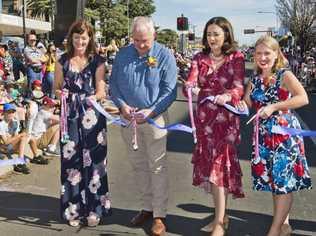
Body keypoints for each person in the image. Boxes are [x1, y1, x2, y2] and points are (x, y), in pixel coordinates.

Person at [237, 35, 312, 236]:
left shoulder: (284, 75)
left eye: (267, 53)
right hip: (263, 137)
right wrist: (237, 103)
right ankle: (283, 223)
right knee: (274, 182)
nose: (262, 57)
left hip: (284, 136)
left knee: (284, 183)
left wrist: (275, 106)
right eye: (259, 53)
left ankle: (275, 229)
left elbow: (303, 98)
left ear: (276, 54)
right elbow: (248, 103)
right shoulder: (253, 79)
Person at [109, 16, 177, 236]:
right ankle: (146, 207)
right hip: (129, 120)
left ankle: (159, 215)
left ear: (153, 35)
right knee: (138, 166)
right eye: (136, 39)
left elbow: (170, 90)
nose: (140, 44)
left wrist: (152, 110)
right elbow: (114, 86)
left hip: (153, 119)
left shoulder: (164, 55)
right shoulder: (122, 54)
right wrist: (122, 106)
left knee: (157, 167)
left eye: (144, 40)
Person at [183, 16, 245, 236]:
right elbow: (189, 83)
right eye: (209, 34)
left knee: (220, 169)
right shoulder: (199, 57)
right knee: (211, 169)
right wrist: (190, 87)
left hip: (226, 122)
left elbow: (239, 88)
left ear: (226, 34)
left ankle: (219, 224)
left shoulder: (236, 57)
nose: (212, 38)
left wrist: (228, 96)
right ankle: (223, 215)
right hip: (205, 123)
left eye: (216, 34)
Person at [54, 19, 110, 227]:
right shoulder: (62, 61)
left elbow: (101, 90)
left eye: (84, 37)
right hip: (70, 118)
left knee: (95, 163)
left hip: (92, 118)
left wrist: (94, 97)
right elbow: (57, 89)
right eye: (76, 37)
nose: (80, 41)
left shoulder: (98, 61)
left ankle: (95, 210)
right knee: (72, 165)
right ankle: (73, 210)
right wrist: (64, 94)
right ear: (72, 38)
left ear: (90, 39)